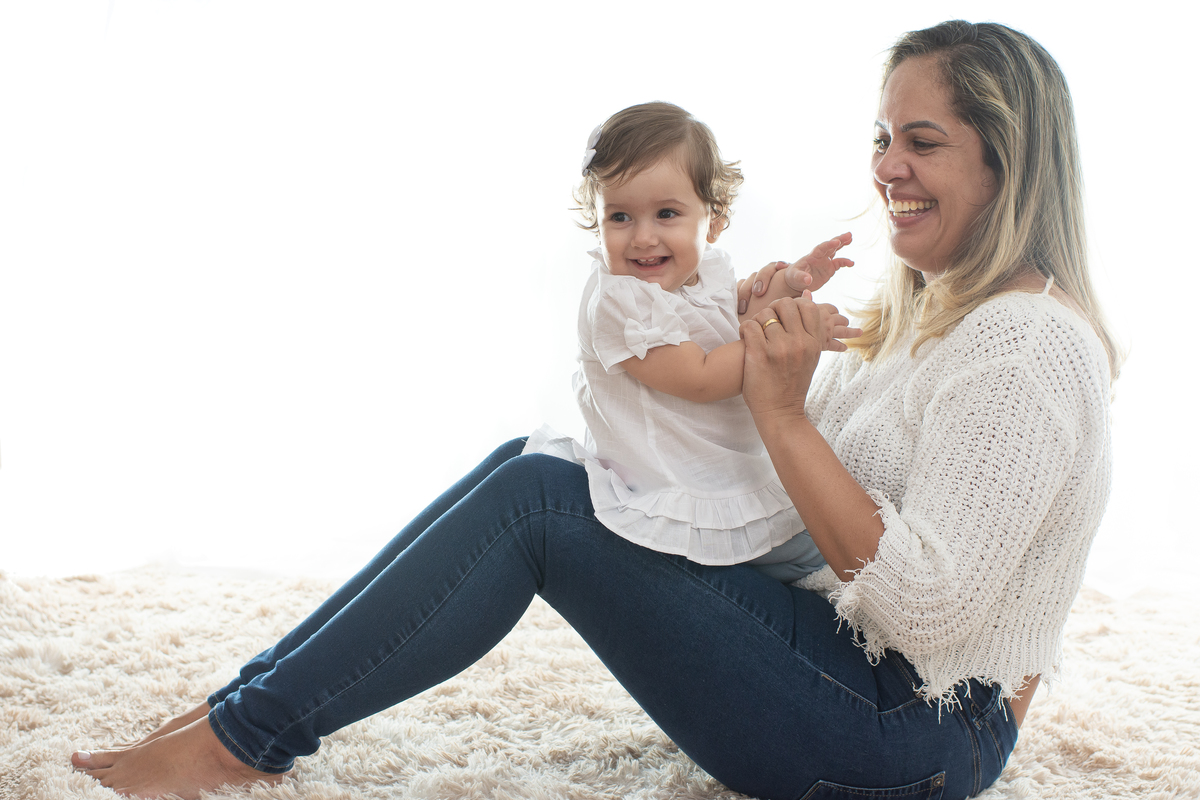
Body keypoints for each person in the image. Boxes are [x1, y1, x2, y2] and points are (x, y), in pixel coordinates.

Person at [72, 19, 1118, 800]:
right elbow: (790, 500)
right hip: (857, 683)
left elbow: (926, 610)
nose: (888, 166)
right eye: (883, 135)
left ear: (1007, 156)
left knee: (540, 502)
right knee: (539, 460)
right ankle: (243, 706)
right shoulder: (941, 310)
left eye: (922, 142)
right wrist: (755, 350)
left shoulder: (1025, 344)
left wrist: (781, 406)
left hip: (914, 738)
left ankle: (237, 742)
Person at [526, 101, 856, 579]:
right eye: (619, 217)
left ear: (714, 221)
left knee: (806, 536)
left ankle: (839, 579)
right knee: (809, 555)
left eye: (665, 214)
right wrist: (793, 335)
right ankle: (837, 583)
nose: (642, 237)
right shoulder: (621, 302)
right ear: (595, 220)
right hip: (678, 490)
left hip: (727, 472)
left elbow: (735, 322)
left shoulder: (705, 270)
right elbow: (700, 377)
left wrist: (790, 286)